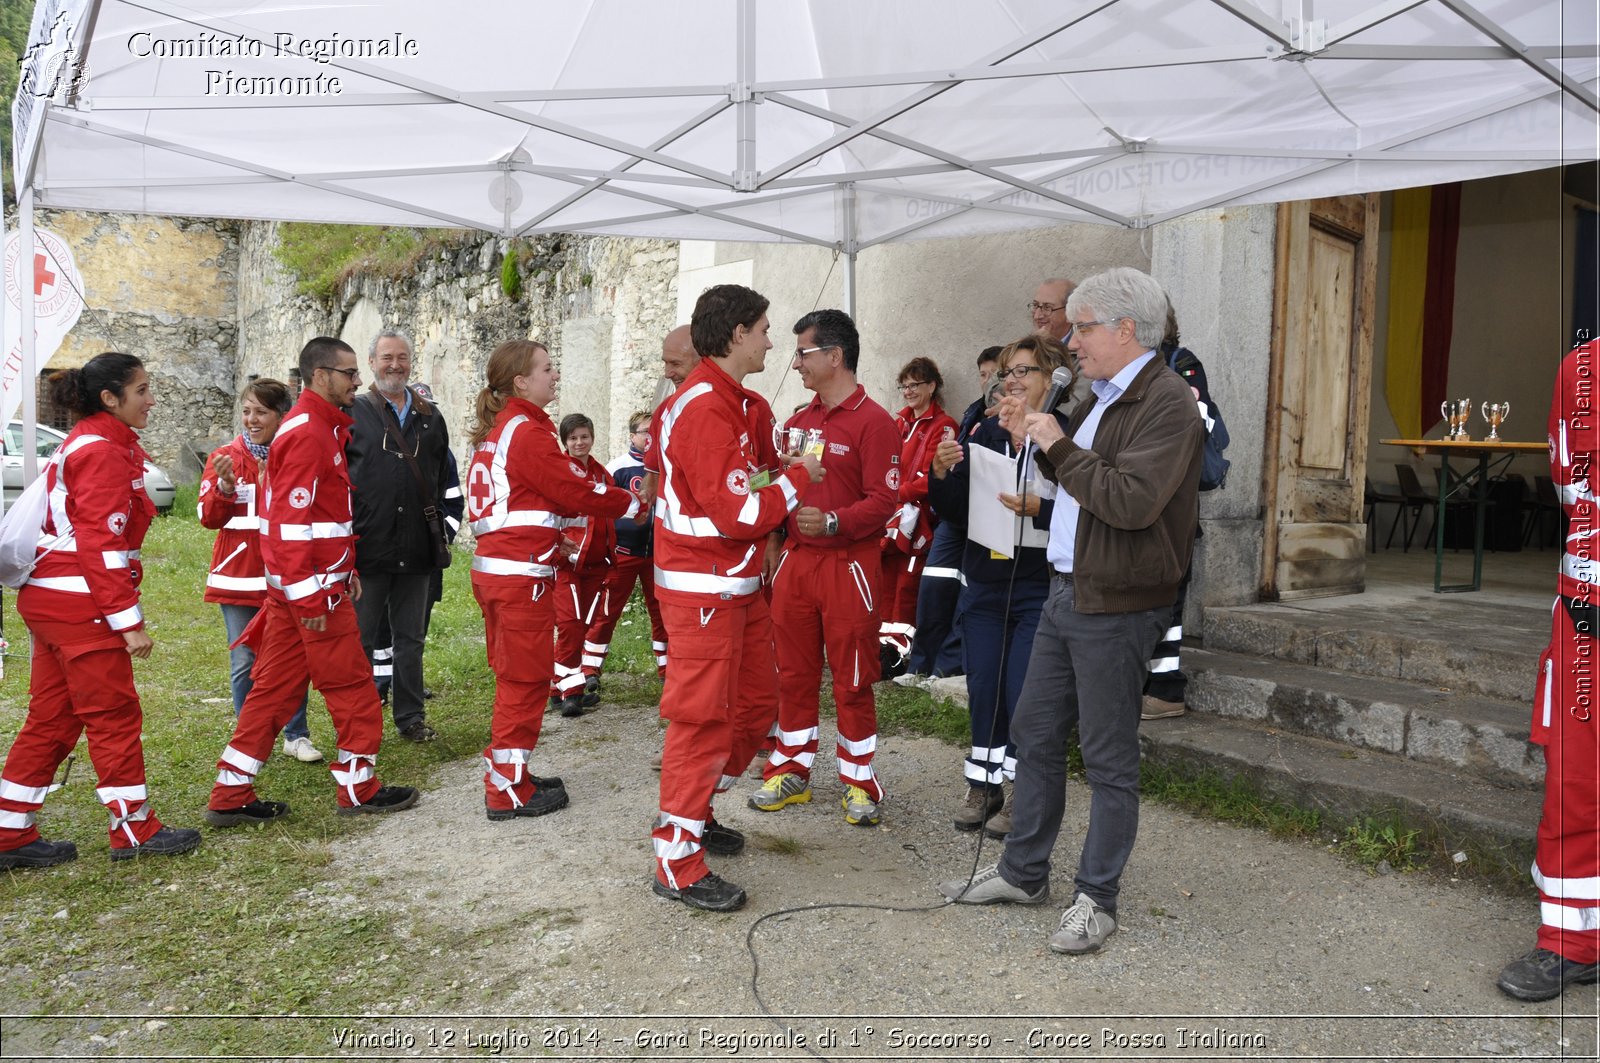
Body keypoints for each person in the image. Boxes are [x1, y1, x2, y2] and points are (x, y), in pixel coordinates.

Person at [937, 267, 1203, 956]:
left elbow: (1129, 501)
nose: (1071, 341)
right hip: (1065, 589)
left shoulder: (1168, 401)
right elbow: (1077, 478)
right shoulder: (1102, 395)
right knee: (1036, 730)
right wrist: (1034, 434)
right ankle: (1025, 873)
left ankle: (1097, 898)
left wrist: (1054, 441)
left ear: (1126, 329)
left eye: (1083, 327)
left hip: (1117, 602)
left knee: (1110, 757)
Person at [652, 284, 822, 911]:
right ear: (737, 334)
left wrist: (775, 480)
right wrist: (799, 478)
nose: (773, 341)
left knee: (756, 704)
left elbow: (738, 487)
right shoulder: (703, 407)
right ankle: (677, 858)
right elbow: (739, 511)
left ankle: (694, 812)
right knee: (701, 723)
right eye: (765, 329)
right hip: (705, 594)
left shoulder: (726, 403)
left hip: (736, 588)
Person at [205, 337, 420, 825]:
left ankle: (230, 792)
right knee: (353, 688)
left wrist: (345, 571)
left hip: (304, 591)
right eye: (349, 373)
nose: (358, 381)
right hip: (312, 597)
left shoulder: (319, 427)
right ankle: (359, 787)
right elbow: (288, 528)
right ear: (321, 376)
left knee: (273, 692)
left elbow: (323, 520)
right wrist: (314, 599)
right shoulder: (307, 432)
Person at [0, 353, 201, 867]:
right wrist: (128, 623)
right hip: (80, 606)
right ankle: (133, 828)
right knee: (112, 715)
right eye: (142, 390)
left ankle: (9, 831)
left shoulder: (93, 441)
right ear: (110, 398)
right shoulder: (103, 452)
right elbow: (103, 545)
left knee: (52, 718)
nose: (151, 400)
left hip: (54, 600)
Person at [465, 340, 641, 820]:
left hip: (503, 572)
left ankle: (513, 773)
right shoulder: (525, 430)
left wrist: (551, 531)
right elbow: (569, 488)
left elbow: (533, 498)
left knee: (517, 678)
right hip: (520, 578)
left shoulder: (506, 429)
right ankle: (506, 789)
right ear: (521, 381)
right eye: (546, 368)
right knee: (525, 681)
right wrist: (633, 503)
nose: (555, 374)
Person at [750, 308, 899, 828]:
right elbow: (778, 486)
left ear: (835, 356)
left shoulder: (876, 422)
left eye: (803, 353)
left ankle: (859, 780)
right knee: (790, 672)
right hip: (796, 564)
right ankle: (791, 768)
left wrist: (834, 521)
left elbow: (887, 500)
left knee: (852, 679)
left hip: (848, 567)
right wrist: (773, 535)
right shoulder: (797, 422)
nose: (794, 364)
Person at [928, 335, 1071, 837]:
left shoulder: (1064, 435)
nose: (1011, 379)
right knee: (985, 685)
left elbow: (1085, 511)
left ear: (1051, 380)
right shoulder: (984, 430)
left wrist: (1042, 509)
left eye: (1025, 371)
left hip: (1037, 584)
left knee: (1023, 690)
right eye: (1008, 371)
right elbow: (954, 510)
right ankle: (982, 785)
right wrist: (942, 473)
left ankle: (1019, 792)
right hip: (986, 579)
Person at [1496, 337, 1600, 1002]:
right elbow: (1572, 483)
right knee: (1574, 783)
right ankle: (1570, 941)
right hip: (1588, 616)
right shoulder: (1582, 370)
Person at [198, 378, 321, 764]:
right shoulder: (224, 457)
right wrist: (224, 487)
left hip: (287, 577)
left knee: (291, 658)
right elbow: (207, 518)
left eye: (261, 412)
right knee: (245, 663)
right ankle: (248, 738)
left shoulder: (295, 453)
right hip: (238, 579)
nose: (251, 420)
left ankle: (296, 734)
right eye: (247, 411)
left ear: (281, 417)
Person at [347, 328, 454, 743]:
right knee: (360, 641)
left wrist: (442, 529)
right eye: (387, 357)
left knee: (411, 639)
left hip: (417, 548)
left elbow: (443, 479)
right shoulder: (353, 413)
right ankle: (358, 722)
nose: (395, 365)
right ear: (371, 362)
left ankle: (410, 716)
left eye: (402, 358)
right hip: (368, 549)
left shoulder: (431, 417)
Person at [1142, 306, 1227, 720]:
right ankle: (1146, 683)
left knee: (1169, 605)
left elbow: (1197, 422)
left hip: (1172, 510)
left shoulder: (1182, 364)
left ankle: (1166, 690)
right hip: (1142, 507)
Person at [907, 346, 1003, 681]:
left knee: (969, 595)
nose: (988, 380)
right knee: (933, 587)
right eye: (983, 374)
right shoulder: (973, 413)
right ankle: (919, 665)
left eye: (995, 373)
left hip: (989, 517)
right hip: (955, 514)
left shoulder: (1007, 418)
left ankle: (947, 668)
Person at [371, 380, 463, 705]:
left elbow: (453, 501)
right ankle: (379, 686)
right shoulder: (383, 446)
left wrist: (442, 539)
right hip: (385, 555)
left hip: (424, 555)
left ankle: (407, 689)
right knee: (381, 627)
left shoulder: (442, 452)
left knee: (414, 630)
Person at [879, 357, 958, 678]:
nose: (908, 391)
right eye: (904, 385)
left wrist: (896, 494)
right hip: (891, 518)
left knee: (907, 588)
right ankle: (881, 651)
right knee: (885, 583)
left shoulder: (944, 425)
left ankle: (902, 653)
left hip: (921, 521)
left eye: (915, 385)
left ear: (932, 386)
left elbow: (933, 478)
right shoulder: (897, 423)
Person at [589, 410, 669, 685]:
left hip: (657, 554)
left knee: (662, 612)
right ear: (632, 436)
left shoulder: (665, 468)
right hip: (623, 552)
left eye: (652, 432)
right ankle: (590, 671)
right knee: (607, 610)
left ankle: (667, 670)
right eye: (644, 432)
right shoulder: (617, 468)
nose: (649, 438)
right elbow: (601, 508)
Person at [551, 412, 616, 716]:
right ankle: (572, 694)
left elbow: (611, 510)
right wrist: (559, 549)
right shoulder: (558, 472)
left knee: (584, 625)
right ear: (565, 442)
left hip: (596, 565)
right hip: (567, 564)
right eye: (573, 438)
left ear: (592, 437)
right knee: (570, 626)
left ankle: (558, 686)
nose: (579, 442)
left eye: (584, 436)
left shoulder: (602, 474)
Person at [1030, 277, 1076, 342]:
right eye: (1035, 305)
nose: (1036, 316)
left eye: (1047, 307)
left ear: (1069, 311)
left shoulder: (1083, 347)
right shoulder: (1029, 347)